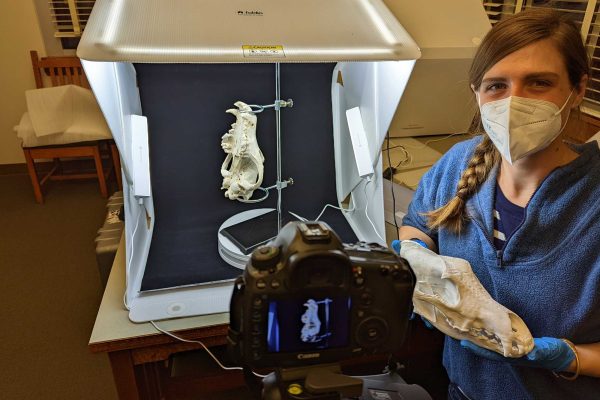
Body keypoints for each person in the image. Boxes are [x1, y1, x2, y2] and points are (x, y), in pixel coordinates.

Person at [396, 8, 600, 399]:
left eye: (539, 83)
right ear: (477, 92)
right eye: (496, 86)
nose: (514, 101)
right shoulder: (458, 163)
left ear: (577, 90)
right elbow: (419, 224)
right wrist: (417, 254)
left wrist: (567, 357)